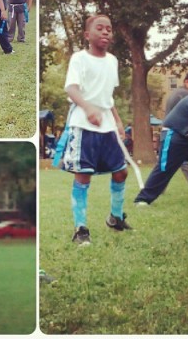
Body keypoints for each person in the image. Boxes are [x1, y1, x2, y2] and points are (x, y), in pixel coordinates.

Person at [58, 14, 131, 245]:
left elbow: (108, 98)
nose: (106, 32)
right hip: (83, 125)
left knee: (121, 171)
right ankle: (81, 229)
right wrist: (88, 108)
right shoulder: (79, 59)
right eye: (100, 28)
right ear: (87, 35)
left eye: (109, 29)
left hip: (107, 126)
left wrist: (118, 122)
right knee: (84, 176)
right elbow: (71, 88)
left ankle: (116, 218)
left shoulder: (112, 61)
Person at [164, 72, 188, 194]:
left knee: (166, 164)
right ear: (186, 81)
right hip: (174, 133)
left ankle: (154, 190)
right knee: (183, 162)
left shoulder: (178, 93)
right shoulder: (184, 95)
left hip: (172, 133)